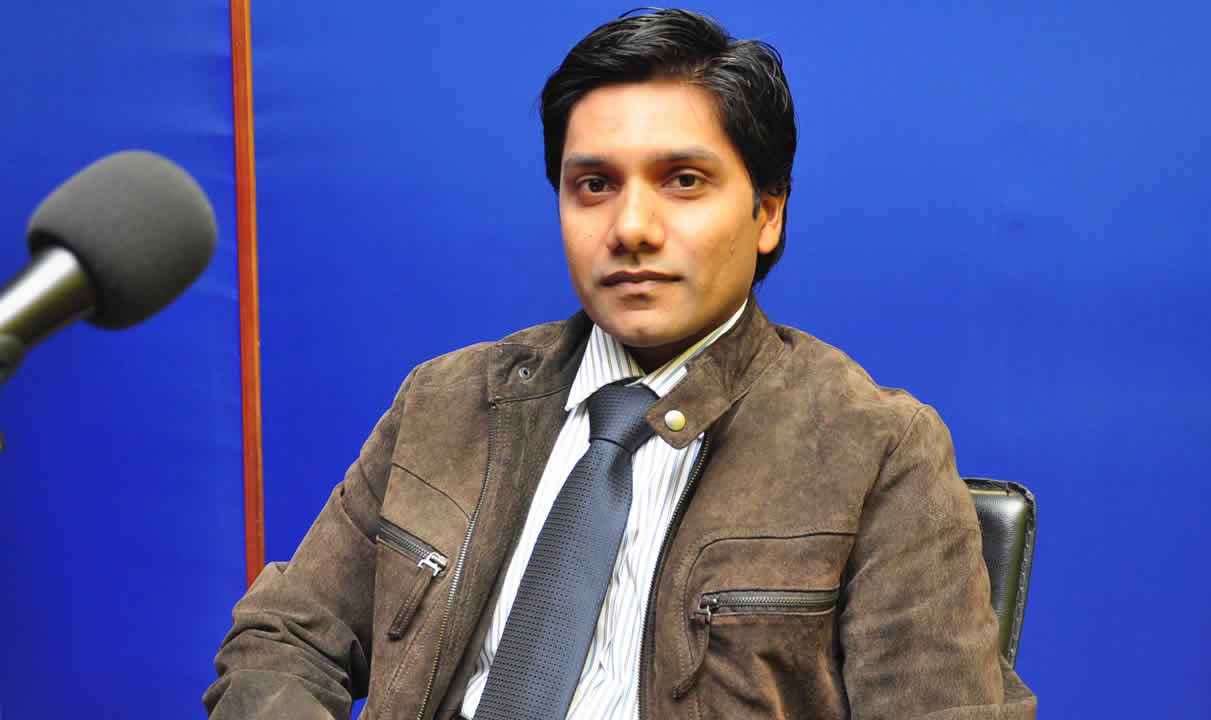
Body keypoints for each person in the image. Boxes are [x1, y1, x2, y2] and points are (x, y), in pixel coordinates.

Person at [205, 8, 1037, 719]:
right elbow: (283, 638)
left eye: (683, 180)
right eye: (594, 185)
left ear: (767, 212)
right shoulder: (446, 403)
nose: (631, 227)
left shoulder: (875, 449)